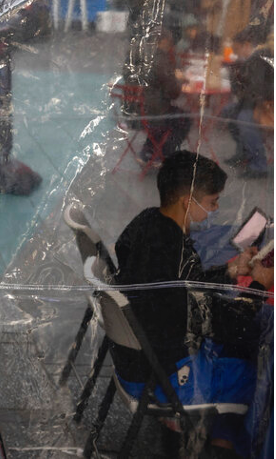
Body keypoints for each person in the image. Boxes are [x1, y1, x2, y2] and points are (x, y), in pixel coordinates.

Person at [112, 151, 273, 455]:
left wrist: (230, 270)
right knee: (264, 376)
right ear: (188, 201)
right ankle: (230, 446)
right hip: (168, 378)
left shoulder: (148, 223)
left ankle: (221, 437)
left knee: (246, 345)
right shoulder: (171, 253)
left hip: (139, 362)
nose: (216, 209)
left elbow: (187, 285)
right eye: (212, 202)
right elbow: (229, 325)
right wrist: (258, 285)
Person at [224, 32, 274, 178]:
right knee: (228, 112)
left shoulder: (261, 57)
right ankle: (243, 153)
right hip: (257, 102)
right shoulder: (260, 55)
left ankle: (258, 166)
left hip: (267, 105)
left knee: (245, 121)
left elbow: (259, 87)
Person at [140, 31, 190, 162]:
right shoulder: (161, 60)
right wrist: (178, 79)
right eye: (169, 42)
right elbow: (173, 92)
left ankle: (147, 151)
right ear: (164, 42)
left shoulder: (143, 55)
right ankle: (164, 153)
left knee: (164, 119)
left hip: (138, 109)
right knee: (185, 119)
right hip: (155, 111)